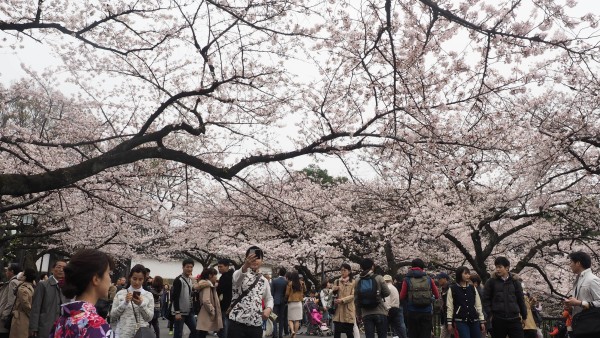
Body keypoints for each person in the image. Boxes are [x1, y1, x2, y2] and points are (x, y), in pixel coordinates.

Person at [50, 249, 115, 338]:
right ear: (96, 279)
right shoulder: (97, 326)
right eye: (108, 273)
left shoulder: (62, 320)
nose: (110, 279)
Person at [228, 246, 273, 338]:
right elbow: (237, 280)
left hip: (256, 325)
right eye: (251, 257)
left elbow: (269, 298)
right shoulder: (238, 274)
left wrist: (269, 308)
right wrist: (245, 266)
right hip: (237, 323)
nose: (255, 260)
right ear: (246, 259)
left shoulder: (264, 280)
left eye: (258, 258)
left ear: (262, 261)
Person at [482, 256, 527, 338]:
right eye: (496, 267)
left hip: (514, 319)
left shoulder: (515, 282)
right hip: (498, 319)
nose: (497, 269)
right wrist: (490, 315)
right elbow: (485, 299)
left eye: (500, 267)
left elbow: (521, 300)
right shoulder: (491, 282)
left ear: (507, 268)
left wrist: (524, 316)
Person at [110, 264, 154, 338]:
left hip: (142, 335)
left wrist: (141, 304)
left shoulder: (148, 295)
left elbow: (149, 318)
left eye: (140, 279)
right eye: (134, 278)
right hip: (123, 334)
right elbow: (112, 316)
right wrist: (125, 303)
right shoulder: (121, 293)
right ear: (130, 277)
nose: (137, 282)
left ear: (144, 280)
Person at [399, 258, 440, 338]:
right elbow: (437, 295)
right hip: (426, 311)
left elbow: (402, 296)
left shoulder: (407, 279)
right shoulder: (428, 279)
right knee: (425, 334)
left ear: (412, 267)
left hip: (412, 311)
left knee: (413, 334)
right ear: (422, 267)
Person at [564, 251, 600, 338]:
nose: (570, 265)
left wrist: (579, 303)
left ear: (578, 263)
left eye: (571, 262)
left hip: (591, 328)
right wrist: (571, 307)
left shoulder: (592, 279)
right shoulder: (578, 280)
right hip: (580, 326)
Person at [30, 260, 67, 338]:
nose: (61, 270)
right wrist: (34, 327)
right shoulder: (43, 285)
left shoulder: (67, 287)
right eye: (59, 267)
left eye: (64, 268)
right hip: (45, 326)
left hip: (62, 327)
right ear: (52, 269)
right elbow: (36, 307)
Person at [354, 258, 390, 338]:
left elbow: (356, 299)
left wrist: (358, 314)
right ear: (372, 266)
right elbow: (387, 293)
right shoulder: (378, 278)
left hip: (366, 313)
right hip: (380, 311)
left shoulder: (357, 280)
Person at [446, 266, 485, 338]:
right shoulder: (453, 289)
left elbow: (478, 305)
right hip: (460, 320)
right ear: (459, 274)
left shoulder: (472, 288)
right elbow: (449, 307)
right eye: (465, 273)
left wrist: (481, 320)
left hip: (474, 319)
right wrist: (449, 323)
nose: (468, 276)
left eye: (468, 274)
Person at [172, 258, 199, 338]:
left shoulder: (190, 279)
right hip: (180, 312)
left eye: (191, 267)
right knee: (178, 333)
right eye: (187, 267)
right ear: (183, 267)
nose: (189, 269)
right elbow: (175, 297)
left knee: (195, 330)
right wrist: (177, 312)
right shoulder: (178, 280)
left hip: (189, 311)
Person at [196, 267, 223, 338]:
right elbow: (206, 300)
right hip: (206, 313)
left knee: (201, 333)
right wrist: (212, 310)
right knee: (202, 333)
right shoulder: (207, 286)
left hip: (204, 312)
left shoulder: (206, 284)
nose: (216, 277)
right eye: (215, 275)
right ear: (210, 276)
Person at [9, 268, 36, 338]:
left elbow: (26, 304)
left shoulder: (22, 288)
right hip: (23, 317)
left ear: (26, 276)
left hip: (21, 317)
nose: (21, 275)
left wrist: (33, 316)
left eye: (23, 274)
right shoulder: (30, 287)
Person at [332, 263, 356, 338]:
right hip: (338, 311)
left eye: (344, 270)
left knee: (349, 333)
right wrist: (333, 290)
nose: (342, 272)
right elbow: (331, 294)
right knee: (337, 333)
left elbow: (353, 295)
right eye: (341, 270)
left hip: (348, 310)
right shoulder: (337, 281)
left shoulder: (353, 282)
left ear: (349, 271)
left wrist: (342, 300)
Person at [0, 263, 22, 338]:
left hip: (5, 316)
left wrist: (4, 315)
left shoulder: (13, 282)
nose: (6, 272)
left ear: (11, 271)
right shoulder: (17, 281)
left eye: (7, 270)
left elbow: (11, 301)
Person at [285, 271, 306, 338]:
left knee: (290, 319)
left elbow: (287, 294)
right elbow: (305, 290)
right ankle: (295, 334)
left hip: (291, 303)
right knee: (297, 320)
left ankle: (292, 331)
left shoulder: (290, 283)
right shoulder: (302, 283)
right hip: (299, 303)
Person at [216, 259, 233, 338]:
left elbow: (220, 290)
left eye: (221, 267)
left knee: (224, 325)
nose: (219, 268)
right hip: (231, 304)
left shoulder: (226, 277)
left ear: (227, 266)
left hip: (225, 304)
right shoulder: (232, 275)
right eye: (218, 267)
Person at [271, 267, 288, 338]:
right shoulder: (286, 282)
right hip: (283, 301)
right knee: (281, 318)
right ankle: (280, 335)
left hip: (275, 300)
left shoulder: (274, 280)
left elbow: (272, 292)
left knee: (273, 317)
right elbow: (286, 292)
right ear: (285, 274)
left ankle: (274, 334)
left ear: (279, 272)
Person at [436, 272, 451, 338]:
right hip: (445, 316)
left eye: (439, 279)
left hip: (450, 316)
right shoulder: (443, 289)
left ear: (445, 279)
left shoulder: (450, 288)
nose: (438, 280)